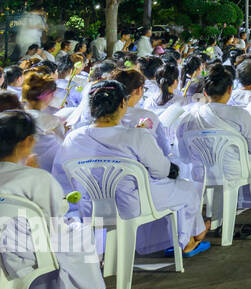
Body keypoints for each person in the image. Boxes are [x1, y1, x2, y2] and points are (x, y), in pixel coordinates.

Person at [53, 80, 210, 257]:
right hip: (131, 205)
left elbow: (61, 174)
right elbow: (161, 170)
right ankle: (189, 238)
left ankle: (190, 235)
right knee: (187, 188)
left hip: (90, 206)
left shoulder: (73, 138)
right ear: (122, 104)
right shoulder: (136, 136)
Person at [0, 110, 107, 289]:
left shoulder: (26, 174)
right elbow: (55, 212)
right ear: (27, 141)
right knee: (80, 232)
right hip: (29, 245)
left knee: (59, 240)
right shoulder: (35, 177)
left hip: (8, 245)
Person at [173, 65, 251, 226]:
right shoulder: (240, 115)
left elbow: (183, 155)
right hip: (233, 170)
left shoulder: (188, 117)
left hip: (200, 171)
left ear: (205, 92)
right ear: (230, 89)